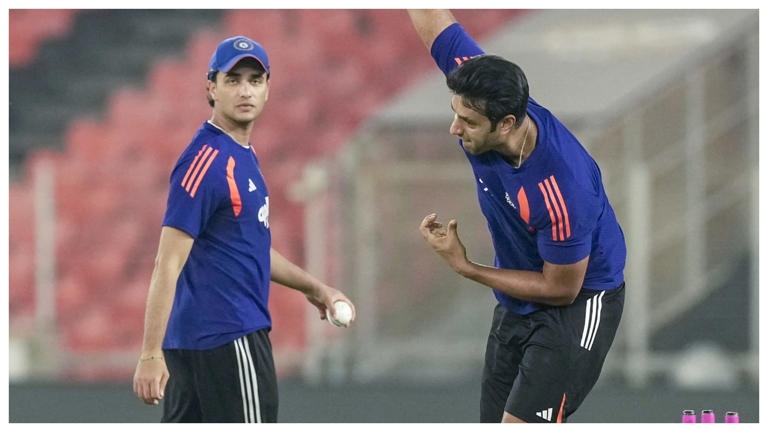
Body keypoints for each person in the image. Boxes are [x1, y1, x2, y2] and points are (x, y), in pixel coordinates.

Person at [408, 10, 627, 423]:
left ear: (506, 123)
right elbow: (433, 21)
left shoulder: (562, 188)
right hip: (519, 298)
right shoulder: (483, 88)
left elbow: (560, 289)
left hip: (578, 302)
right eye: (455, 113)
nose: (455, 128)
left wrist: (466, 267)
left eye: (468, 122)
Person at [132, 35, 356, 423]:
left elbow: (248, 247)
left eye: (255, 80)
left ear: (268, 88)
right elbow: (167, 262)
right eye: (233, 80)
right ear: (211, 88)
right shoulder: (208, 161)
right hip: (228, 336)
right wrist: (150, 353)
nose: (245, 90)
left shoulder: (241, 156)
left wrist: (315, 288)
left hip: (201, 341)